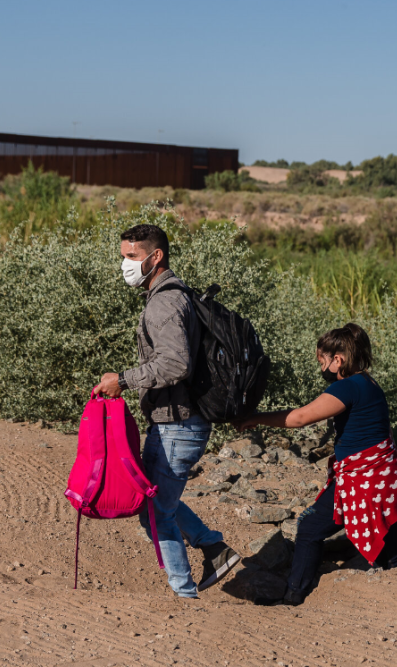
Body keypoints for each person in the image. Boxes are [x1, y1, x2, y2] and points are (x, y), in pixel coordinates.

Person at [93, 223, 240, 598]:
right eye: (123, 256)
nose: (124, 264)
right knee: (157, 501)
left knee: (155, 512)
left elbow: (176, 364)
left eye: (131, 257)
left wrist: (122, 380)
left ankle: (184, 593)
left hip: (179, 425)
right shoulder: (174, 294)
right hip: (174, 422)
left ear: (155, 257)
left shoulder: (164, 302)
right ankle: (213, 548)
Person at [234, 323, 397, 605]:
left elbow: (300, 418)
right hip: (383, 475)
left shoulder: (348, 387)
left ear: (338, 360)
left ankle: (294, 595)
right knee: (385, 537)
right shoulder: (368, 383)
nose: (320, 368)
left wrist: (256, 417)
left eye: (322, 361)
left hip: (364, 478)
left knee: (309, 528)